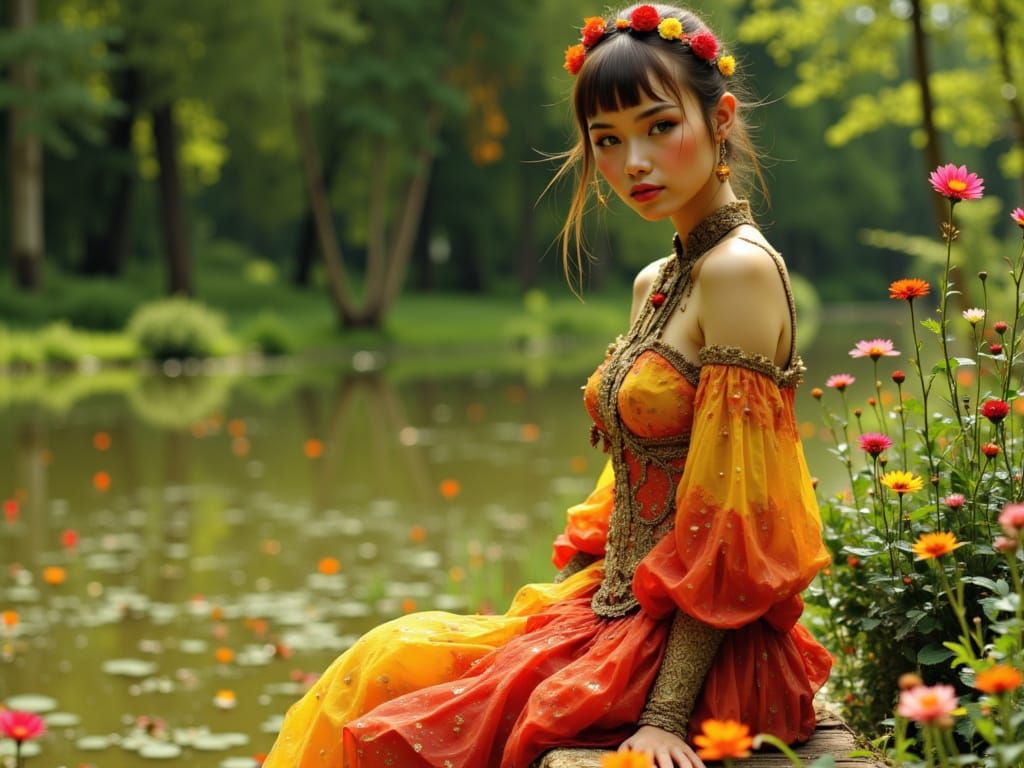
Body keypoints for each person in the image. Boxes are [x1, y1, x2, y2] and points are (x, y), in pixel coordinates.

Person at [262, 4, 832, 767]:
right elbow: (628, 485)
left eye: (660, 127)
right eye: (608, 140)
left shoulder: (740, 271)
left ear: (720, 117)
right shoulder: (657, 279)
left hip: (708, 658)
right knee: (387, 658)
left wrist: (665, 714)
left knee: (408, 707)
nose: (634, 160)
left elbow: (731, 519)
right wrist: (561, 612)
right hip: (622, 613)